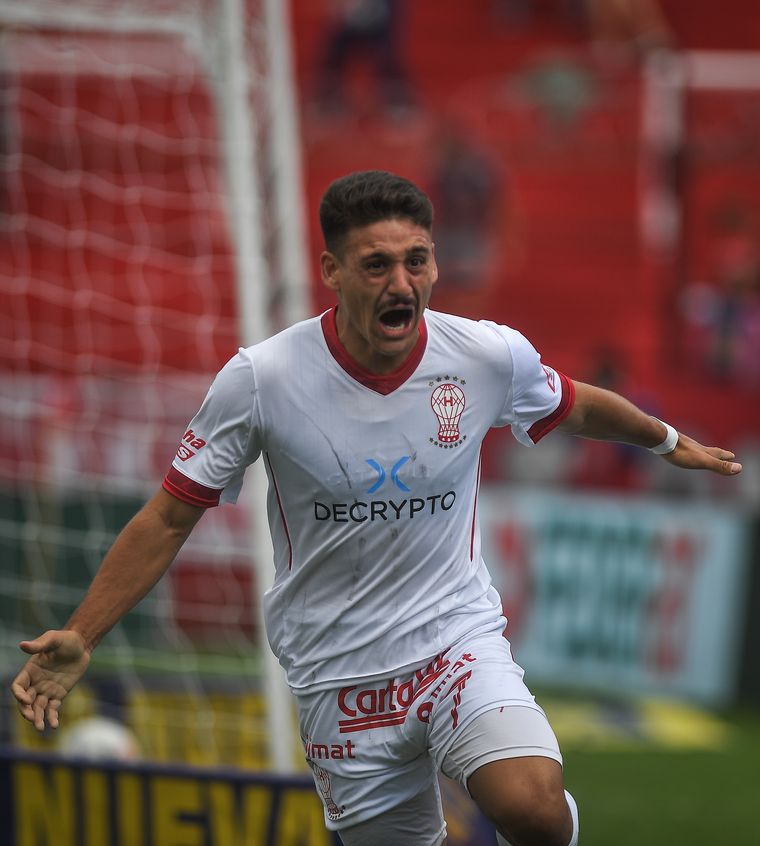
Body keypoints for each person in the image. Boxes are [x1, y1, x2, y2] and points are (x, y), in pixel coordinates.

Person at [12, 171, 742, 846]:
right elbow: (170, 515)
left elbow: (573, 402)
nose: (403, 282)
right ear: (332, 272)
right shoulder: (261, 379)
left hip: (454, 640)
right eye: (376, 265)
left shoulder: (483, 356)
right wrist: (84, 632)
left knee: (533, 810)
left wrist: (668, 439)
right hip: (339, 673)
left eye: (416, 261)